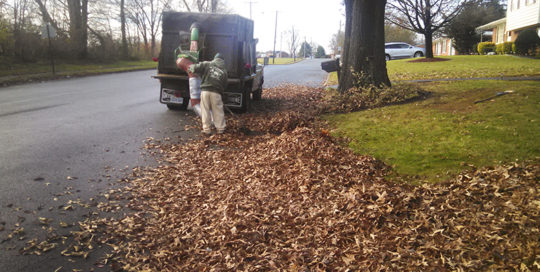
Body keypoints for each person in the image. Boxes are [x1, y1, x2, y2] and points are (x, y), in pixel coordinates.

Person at [189, 53, 228, 135]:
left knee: (205, 110)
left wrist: (190, 68)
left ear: (215, 58)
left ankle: (207, 130)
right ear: (222, 61)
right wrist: (221, 93)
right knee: (218, 110)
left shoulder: (208, 64)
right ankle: (220, 129)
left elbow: (195, 67)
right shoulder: (224, 71)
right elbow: (224, 85)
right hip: (216, 93)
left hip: (205, 91)